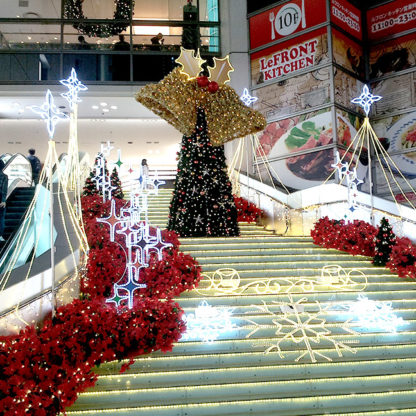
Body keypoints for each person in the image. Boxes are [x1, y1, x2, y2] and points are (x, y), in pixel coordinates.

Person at [0, 160, 8, 242]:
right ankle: (0, 235)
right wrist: (3, 200)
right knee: (1, 217)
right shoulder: (4, 176)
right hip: (0, 198)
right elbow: (4, 190)